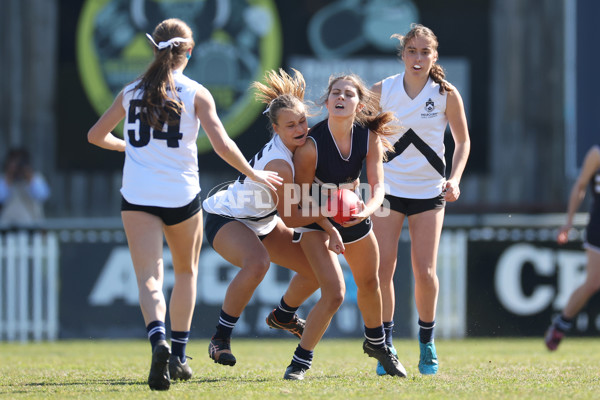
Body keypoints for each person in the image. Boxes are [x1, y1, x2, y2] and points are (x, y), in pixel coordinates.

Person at [87, 18, 281, 391]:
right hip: (180, 195)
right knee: (186, 273)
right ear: (189, 51)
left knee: (149, 277)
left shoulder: (131, 91)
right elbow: (223, 145)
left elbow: (96, 136)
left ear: (154, 48)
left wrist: (124, 146)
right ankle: (177, 354)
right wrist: (254, 175)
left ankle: (156, 338)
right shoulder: (195, 92)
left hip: (138, 195)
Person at [202, 68, 345, 367]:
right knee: (258, 263)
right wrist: (331, 223)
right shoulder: (281, 163)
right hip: (227, 217)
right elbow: (292, 218)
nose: (299, 129)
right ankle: (220, 339)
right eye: (290, 125)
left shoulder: (302, 147)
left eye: (303, 121)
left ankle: (283, 315)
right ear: (276, 130)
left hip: (263, 220)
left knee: (316, 272)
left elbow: (300, 202)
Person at [283, 72, 407, 381]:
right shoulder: (311, 145)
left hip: (351, 209)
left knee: (370, 283)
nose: (341, 97)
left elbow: (378, 187)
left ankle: (378, 344)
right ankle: (299, 363)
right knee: (335, 293)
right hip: (314, 214)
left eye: (348, 94)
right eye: (335, 93)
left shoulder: (370, 137)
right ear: (326, 102)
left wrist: (365, 209)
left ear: (360, 104)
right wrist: (330, 228)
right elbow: (299, 199)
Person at [370, 24, 470, 376]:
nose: (418, 58)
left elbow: (463, 142)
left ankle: (427, 344)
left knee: (425, 272)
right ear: (402, 54)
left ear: (434, 55)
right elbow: (358, 135)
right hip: (387, 192)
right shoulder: (382, 90)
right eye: (412, 50)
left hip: (429, 192)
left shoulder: (446, 93)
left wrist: (454, 180)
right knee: (383, 270)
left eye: (424, 51)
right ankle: (386, 347)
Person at [545, 145, 600, 351]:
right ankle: (561, 324)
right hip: (598, 226)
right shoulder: (596, 154)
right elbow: (580, 186)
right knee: (594, 282)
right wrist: (569, 222)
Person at [0, 148, 50, 227]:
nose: (17, 168)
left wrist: (29, 177)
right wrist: (9, 177)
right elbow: (1, 197)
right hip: (5, 229)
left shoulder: (36, 179)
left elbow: (42, 196)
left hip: (31, 228)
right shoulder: (3, 180)